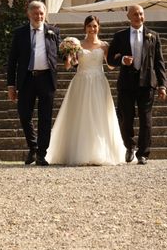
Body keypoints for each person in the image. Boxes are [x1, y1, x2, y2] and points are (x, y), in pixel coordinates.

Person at [46, 16, 125, 166]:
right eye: (89, 26)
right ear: (85, 27)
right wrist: (68, 55)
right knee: (81, 115)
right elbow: (70, 66)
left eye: (95, 26)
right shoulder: (78, 45)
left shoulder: (104, 46)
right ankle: (79, 152)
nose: (92, 29)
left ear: (98, 27)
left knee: (99, 115)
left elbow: (110, 66)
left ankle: (100, 152)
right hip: (81, 81)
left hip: (98, 82)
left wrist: (119, 58)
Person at [107, 5, 167, 165]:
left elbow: (159, 62)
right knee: (126, 118)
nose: (138, 16)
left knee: (146, 119)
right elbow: (110, 59)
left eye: (140, 14)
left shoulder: (153, 36)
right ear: (128, 16)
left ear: (144, 16)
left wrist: (162, 85)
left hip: (147, 83)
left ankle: (143, 153)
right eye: (134, 14)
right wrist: (121, 60)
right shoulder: (120, 36)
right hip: (126, 83)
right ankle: (129, 146)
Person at [7, 0, 60, 166]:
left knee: (45, 118)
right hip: (27, 79)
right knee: (24, 115)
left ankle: (41, 154)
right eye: (36, 13)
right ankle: (33, 146)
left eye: (41, 13)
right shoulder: (20, 33)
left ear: (45, 14)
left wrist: (72, 56)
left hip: (46, 79)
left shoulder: (54, 32)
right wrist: (11, 85)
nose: (39, 16)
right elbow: (12, 61)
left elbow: (61, 54)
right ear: (29, 14)